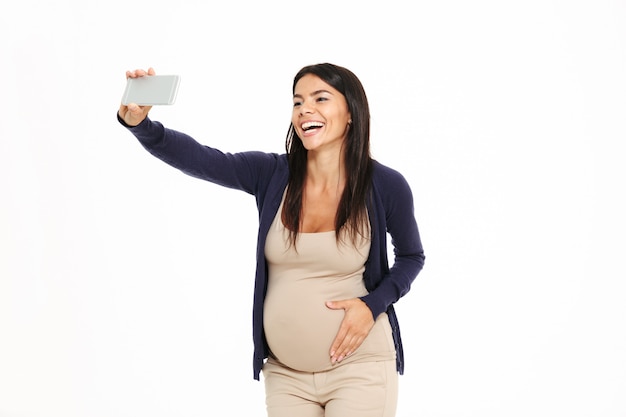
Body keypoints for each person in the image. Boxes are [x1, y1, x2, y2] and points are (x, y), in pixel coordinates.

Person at [117, 63, 425, 417]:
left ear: (351, 112)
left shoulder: (384, 185)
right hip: (285, 376)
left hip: (360, 367)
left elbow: (411, 256)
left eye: (320, 98)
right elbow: (202, 159)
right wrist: (142, 126)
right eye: (297, 102)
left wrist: (372, 305)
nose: (305, 109)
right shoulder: (272, 174)